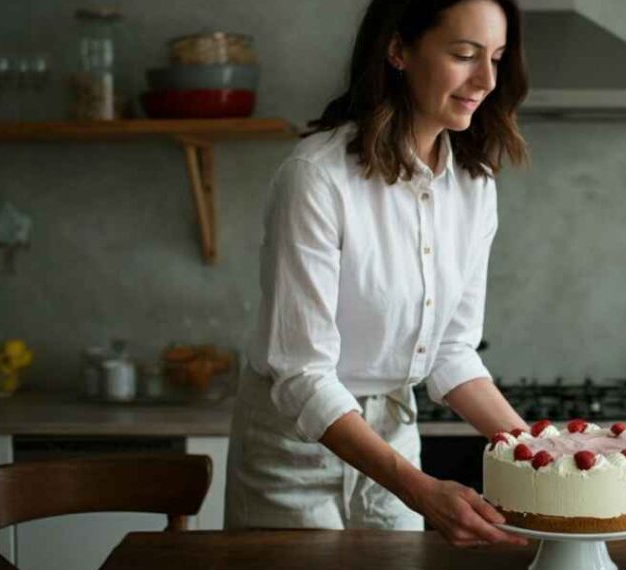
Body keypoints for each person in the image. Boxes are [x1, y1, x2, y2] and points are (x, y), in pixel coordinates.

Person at [225, 0, 531, 548]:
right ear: (397, 50)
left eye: (498, 57)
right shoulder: (316, 178)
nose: (485, 79)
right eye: (464, 55)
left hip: (394, 430)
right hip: (294, 451)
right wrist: (418, 489)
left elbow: (451, 352)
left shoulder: (474, 185)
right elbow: (302, 374)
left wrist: (539, 451)